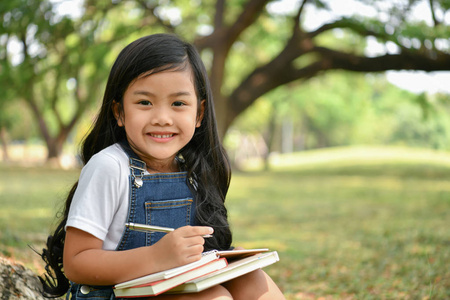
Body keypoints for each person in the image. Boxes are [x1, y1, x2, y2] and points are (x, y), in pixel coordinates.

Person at [40, 33, 285, 300]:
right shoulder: (109, 167)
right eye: (145, 102)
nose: (162, 118)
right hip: (113, 294)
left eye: (178, 103)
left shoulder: (193, 169)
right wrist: (156, 257)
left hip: (174, 285)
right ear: (119, 112)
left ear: (199, 114)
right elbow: (77, 263)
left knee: (252, 279)